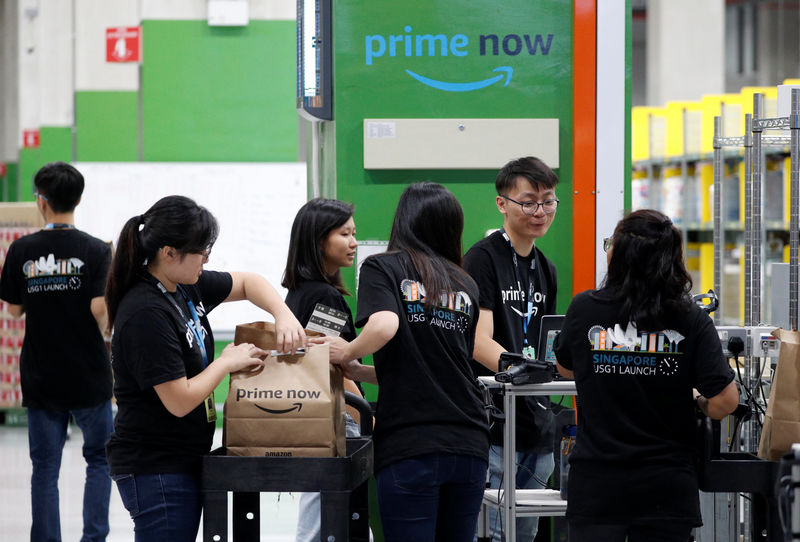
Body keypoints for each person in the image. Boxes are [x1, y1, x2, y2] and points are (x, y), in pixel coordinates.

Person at [104, 195, 305, 542]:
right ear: (169, 253)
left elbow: (247, 283)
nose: (207, 259)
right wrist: (227, 362)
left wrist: (282, 313)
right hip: (156, 467)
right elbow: (179, 400)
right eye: (201, 251)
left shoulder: (183, 286)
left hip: (183, 458)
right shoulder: (145, 313)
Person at [311, 182, 490, 542]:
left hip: (413, 443)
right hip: (469, 441)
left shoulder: (383, 267)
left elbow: (385, 324)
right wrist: (361, 372)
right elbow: (442, 365)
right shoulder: (465, 283)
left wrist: (346, 352)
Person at [554, 209, 739, 542]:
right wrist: (696, 402)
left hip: (599, 486)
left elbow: (565, 367)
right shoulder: (691, 319)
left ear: (620, 255)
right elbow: (725, 402)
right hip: (666, 487)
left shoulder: (584, 308)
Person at [0, 162, 113, 542]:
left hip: (41, 375)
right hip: (90, 375)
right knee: (99, 459)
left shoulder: (21, 250)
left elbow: (13, 310)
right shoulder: (97, 250)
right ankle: (94, 537)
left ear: (40, 202)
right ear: (78, 200)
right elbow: (101, 310)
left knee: (44, 469)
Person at [463, 156, 559, 541]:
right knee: (493, 534)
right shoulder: (482, 258)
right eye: (529, 201)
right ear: (502, 203)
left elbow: (545, 342)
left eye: (548, 201)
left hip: (537, 426)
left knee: (526, 533)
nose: (540, 211)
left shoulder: (546, 267)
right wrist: (522, 373)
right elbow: (477, 342)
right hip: (494, 425)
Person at [281, 197, 367, 542]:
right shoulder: (324, 297)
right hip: (332, 422)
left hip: (310, 419)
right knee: (329, 521)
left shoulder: (299, 293)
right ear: (319, 240)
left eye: (354, 233)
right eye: (345, 234)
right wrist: (365, 420)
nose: (354, 243)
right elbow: (339, 367)